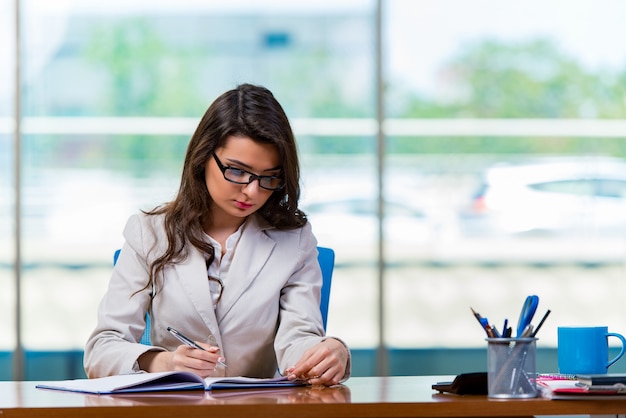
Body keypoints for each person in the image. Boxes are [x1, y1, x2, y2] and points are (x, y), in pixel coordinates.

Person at [84, 83, 351, 386]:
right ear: (202, 158)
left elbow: (297, 342)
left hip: (254, 412)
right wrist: (165, 362)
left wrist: (331, 352)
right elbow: (101, 351)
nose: (252, 191)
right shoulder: (149, 234)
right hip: (173, 411)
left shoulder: (295, 240)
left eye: (269, 178)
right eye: (237, 171)